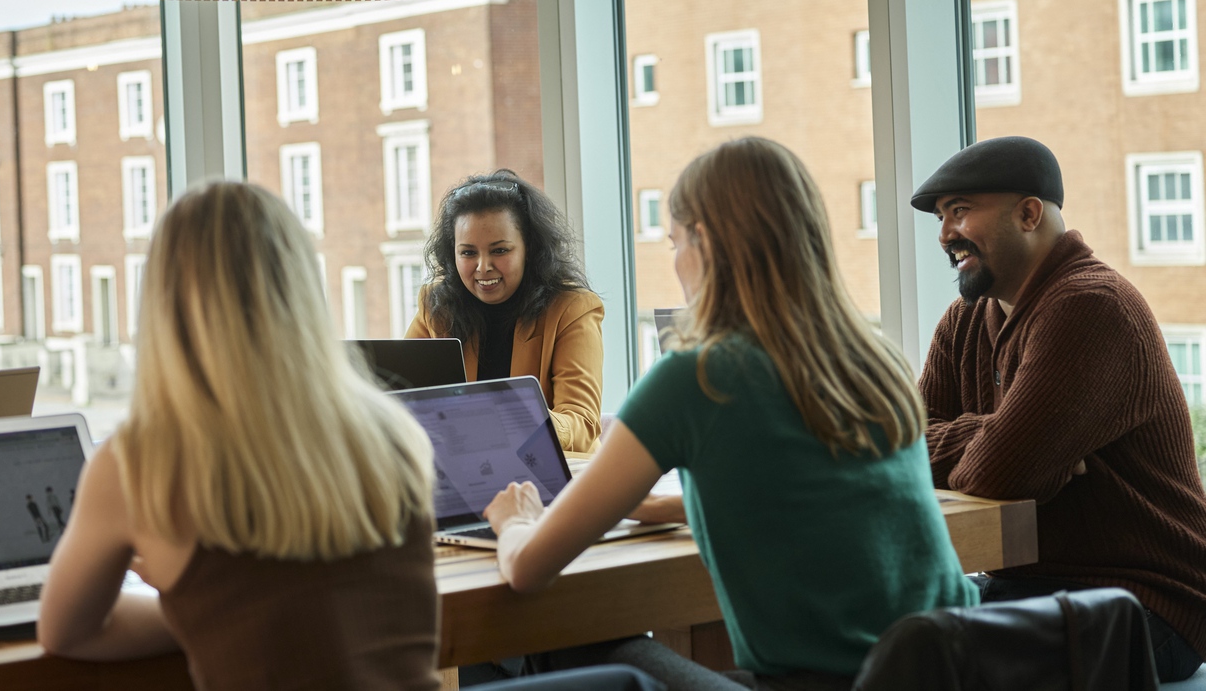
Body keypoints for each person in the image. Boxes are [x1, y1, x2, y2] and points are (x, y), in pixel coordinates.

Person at [483, 138, 977, 691]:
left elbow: (527, 570)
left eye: (674, 242)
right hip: (958, 669)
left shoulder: (697, 378)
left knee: (563, 633)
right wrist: (672, 506)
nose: (674, 262)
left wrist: (517, 522)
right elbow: (809, 499)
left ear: (706, 242)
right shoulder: (874, 358)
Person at [37, 181, 442, 689]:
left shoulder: (139, 463)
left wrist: (201, 611)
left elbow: (65, 633)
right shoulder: (396, 436)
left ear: (165, 305)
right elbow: (327, 608)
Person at [911, 135, 1206, 682]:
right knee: (868, 625)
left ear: (1028, 214)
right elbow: (899, 448)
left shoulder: (1092, 307)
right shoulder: (964, 321)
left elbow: (1000, 472)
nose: (945, 234)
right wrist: (1001, 431)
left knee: (926, 659)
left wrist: (1006, 450)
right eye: (940, 218)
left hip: (1145, 607)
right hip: (1032, 588)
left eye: (960, 211)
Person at [408, 169, 604, 452]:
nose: (482, 266)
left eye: (500, 251)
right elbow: (401, 397)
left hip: (546, 476)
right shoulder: (436, 306)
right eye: (468, 252)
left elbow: (582, 424)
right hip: (461, 467)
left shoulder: (572, 309)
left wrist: (511, 418)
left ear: (531, 250)